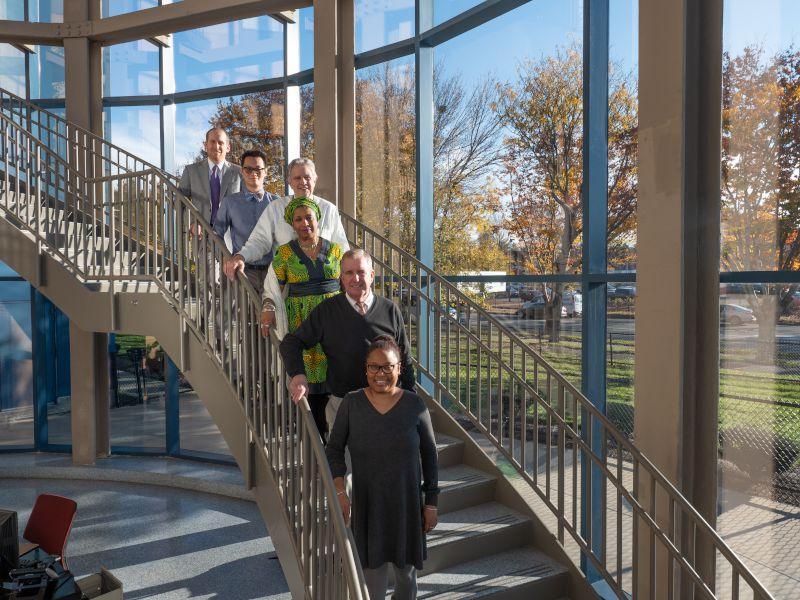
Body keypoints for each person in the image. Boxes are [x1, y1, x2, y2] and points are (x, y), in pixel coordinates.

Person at [326, 335, 438, 600]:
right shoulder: (351, 404)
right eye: (373, 367)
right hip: (368, 506)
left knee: (406, 580)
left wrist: (431, 503)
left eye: (388, 366)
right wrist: (341, 492)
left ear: (399, 368)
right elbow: (333, 450)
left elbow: (430, 456)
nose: (380, 373)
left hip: (407, 505)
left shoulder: (415, 405)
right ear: (366, 369)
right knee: (372, 582)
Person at [279, 249, 415, 434]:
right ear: (341, 278)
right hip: (344, 407)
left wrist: (410, 399)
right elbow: (291, 343)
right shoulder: (327, 311)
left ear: (372, 275)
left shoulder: (390, 310)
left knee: (385, 461)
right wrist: (298, 375)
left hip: (387, 405)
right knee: (344, 462)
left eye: (361, 272)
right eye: (349, 273)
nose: (355, 279)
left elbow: (404, 358)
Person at [224, 157, 349, 337]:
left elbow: (342, 251)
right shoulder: (276, 208)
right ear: (289, 181)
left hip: (328, 299)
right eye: (297, 178)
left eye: (307, 177)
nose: (303, 182)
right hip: (289, 296)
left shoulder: (329, 209)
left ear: (315, 179)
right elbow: (259, 240)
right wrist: (241, 256)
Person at [266, 196, 344, 438]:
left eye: (308, 217)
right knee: (312, 389)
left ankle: (339, 442)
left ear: (317, 218)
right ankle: (315, 442)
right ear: (292, 224)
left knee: (338, 381)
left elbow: (349, 282)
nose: (304, 223)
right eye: (298, 219)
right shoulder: (284, 254)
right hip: (303, 327)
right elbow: (271, 287)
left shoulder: (336, 250)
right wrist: (267, 306)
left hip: (335, 323)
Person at [212, 149, 280, 296]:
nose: (253, 173)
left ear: (266, 172)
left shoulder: (277, 203)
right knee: (238, 317)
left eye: (258, 169)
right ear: (242, 171)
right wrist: (225, 257)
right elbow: (216, 234)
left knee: (270, 316)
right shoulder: (230, 202)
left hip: (273, 271)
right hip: (243, 270)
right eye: (248, 169)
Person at [178, 127, 242, 231]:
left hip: (231, 235)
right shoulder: (191, 171)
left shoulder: (239, 172)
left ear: (228, 147)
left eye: (220, 142)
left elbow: (247, 203)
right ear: (205, 145)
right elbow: (179, 200)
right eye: (212, 142)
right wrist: (191, 221)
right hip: (200, 235)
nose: (216, 146)